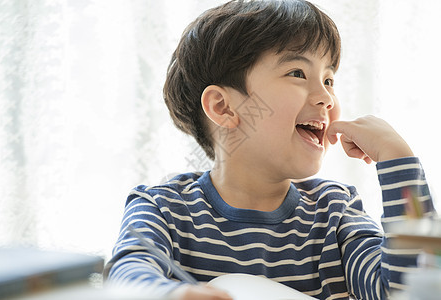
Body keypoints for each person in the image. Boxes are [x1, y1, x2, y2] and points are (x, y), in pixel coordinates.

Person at [104, 1, 437, 299]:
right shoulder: (162, 208)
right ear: (223, 107)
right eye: (297, 73)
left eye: (329, 80)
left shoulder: (335, 211)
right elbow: (127, 278)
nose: (326, 98)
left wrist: (399, 163)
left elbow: (409, 291)